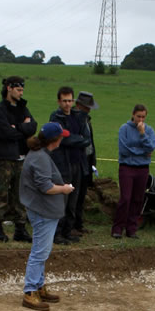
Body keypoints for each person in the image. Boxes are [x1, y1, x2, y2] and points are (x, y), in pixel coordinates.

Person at [18, 122, 74, 311]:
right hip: (43, 211)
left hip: (42, 209)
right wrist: (64, 189)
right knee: (40, 252)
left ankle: (39, 286)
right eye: (60, 137)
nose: (62, 139)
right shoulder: (40, 158)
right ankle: (30, 291)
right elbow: (46, 187)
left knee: (41, 250)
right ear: (54, 140)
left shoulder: (39, 154)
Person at [0, 75, 37, 243]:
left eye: (22, 90)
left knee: (20, 193)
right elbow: (5, 133)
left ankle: (20, 228)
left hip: (21, 156)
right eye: (18, 89)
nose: (21, 93)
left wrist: (17, 127)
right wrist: (22, 129)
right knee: (1, 191)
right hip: (3, 157)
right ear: (9, 88)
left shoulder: (23, 108)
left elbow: (33, 127)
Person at [49, 86, 89, 244]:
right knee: (62, 200)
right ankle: (56, 232)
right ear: (59, 101)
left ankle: (68, 230)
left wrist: (73, 138)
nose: (67, 104)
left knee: (73, 199)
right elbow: (61, 138)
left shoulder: (79, 117)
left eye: (70, 100)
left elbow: (86, 139)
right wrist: (76, 139)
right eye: (64, 101)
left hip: (78, 163)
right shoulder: (56, 117)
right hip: (62, 164)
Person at [112, 105, 155, 239]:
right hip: (127, 167)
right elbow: (124, 150)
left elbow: (151, 147)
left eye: (143, 117)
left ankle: (131, 229)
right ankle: (118, 228)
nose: (140, 119)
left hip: (142, 169)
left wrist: (142, 134)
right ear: (133, 115)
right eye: (138, 116)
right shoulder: (124, 129)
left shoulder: (149, 130)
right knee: (125, 198)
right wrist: (142, 153)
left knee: (138, 199)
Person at [73, 91, 99, 233]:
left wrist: (93, 161)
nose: (88, 110)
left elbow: (91, 143)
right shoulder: (73, 120)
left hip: (87, 160)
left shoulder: (87, 120)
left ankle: (78, 224)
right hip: (77, 160)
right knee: (74, 195)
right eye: (86, 107)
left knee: (82, 194)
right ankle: (71, 225)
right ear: (78, 105)